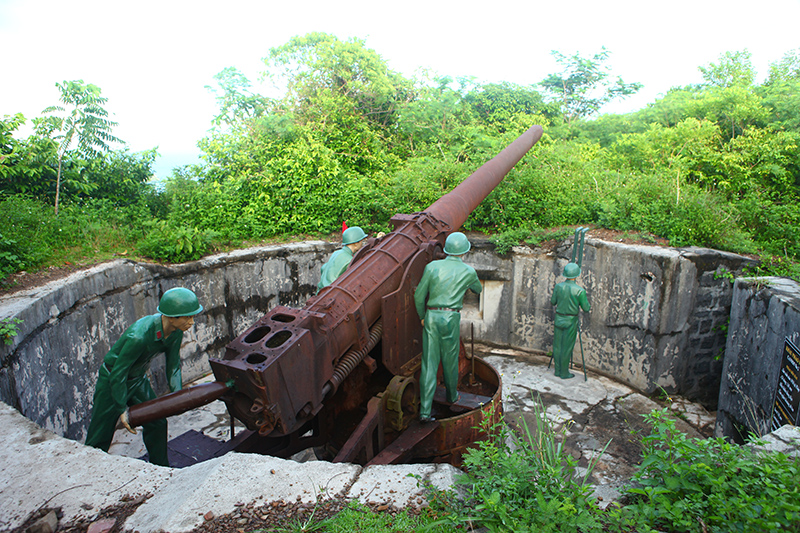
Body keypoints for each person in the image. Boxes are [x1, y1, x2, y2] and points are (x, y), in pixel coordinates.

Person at [84, 287, 203, 466]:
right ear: (171, 317)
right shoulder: (138, 336)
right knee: (101, 432)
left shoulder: (175, 333)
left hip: (137, 379)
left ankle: (161, 467)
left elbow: (173, 367)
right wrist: (121, 408)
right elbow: (118, 373)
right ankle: (89, 469)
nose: (191, 322)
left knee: (157, 423)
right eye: (187, 317)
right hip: (112, 381)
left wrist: (178, 396)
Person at [414, 232, 482, 422]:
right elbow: (478, 289)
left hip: (431, 316)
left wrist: (422, 316)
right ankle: (452, 396)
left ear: (446, 250)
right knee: (450, 360)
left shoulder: (431, 267)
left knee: (429, 363)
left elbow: (419, 296)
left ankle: (425, 412)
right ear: (464, 251)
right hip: (451, 317)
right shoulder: (468, 271)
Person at [550, 263, 590, 379]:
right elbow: (586, 308)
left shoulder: (558, 287)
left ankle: (557, 371)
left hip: (559, 318)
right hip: (571, 320)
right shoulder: (580, 291)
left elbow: (553, 302)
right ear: (576, 275)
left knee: (557, 346)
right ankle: (564, 373)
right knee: (567, 347)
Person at [318, 226, 369, 290]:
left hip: (321, 291)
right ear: (356, 243)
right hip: (332, 293)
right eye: (362, 241)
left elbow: (323, 268)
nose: (362, 244)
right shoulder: (350, 260)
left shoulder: (337, 253)